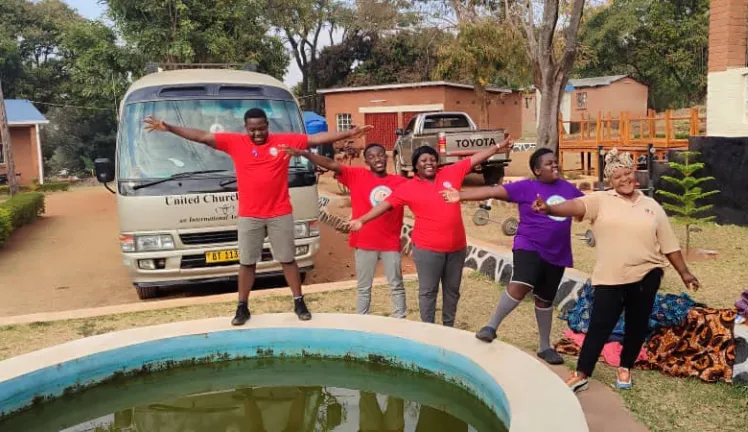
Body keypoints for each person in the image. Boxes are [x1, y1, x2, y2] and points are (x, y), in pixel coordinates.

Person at [143, 109, 372, 326]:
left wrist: (349, 133)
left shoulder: (283, 141)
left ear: (267, 126)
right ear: (246, 127)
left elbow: (316, 139)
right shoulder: (235, 142)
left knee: (287, 260)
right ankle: (242, 306)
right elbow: (202, 136)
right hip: (250, 216)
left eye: (261, 128)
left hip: (279, 212)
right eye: (252, 129)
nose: (257, 133)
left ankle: (299, 302)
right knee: (247, 262)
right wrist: (169, 127)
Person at [531, 148, 700, 392]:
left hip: (646, 274)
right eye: (617, 176)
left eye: (628, 173)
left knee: (637, 324)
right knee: (599, 325)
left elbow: (669, 244)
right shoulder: (600, 201)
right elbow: (576, 206)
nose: (624, 179)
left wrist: (685, 272)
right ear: (610, 180)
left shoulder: (651, 206)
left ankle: (625, 367)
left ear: (635, 173)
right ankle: (581, 373)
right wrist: (549, 208)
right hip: (609, 277)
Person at [348, 139, 512, 327]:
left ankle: (448, 326)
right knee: (428, 291)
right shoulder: (408, 187)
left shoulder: (451, 172)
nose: (429, 163)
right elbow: (385, 206)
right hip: (427, 250)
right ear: (415, 166)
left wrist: (498, 147)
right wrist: (361, 220)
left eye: (432, 159)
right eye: (423, 160)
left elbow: (475, 159)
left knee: (452, 290)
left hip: (456, 248)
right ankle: (429, 328)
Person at [440, 148, 583, 364]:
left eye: (555, 162)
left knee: (545, 299)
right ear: (537, 170)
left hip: (557, 252)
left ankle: (544, 347)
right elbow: (492, 191)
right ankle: (490, 327)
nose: (555, 165)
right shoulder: (527, 187)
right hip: (529, 245)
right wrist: (461, 195)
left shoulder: (568, 189)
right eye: (548, 163)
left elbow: (588, 207)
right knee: (521, 283)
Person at [284, 143, 408, 318]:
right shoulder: (356, 175)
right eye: (372, 157)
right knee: (364, 287)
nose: (377, 159)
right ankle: (361, 321)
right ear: (366, 161)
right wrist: (305, 153)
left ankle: (400, 321)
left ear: (386, 157)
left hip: (390, 243)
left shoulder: (400, 182)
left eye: (380, 155)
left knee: (396, 284)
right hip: (364, 242)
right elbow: (329, 163)